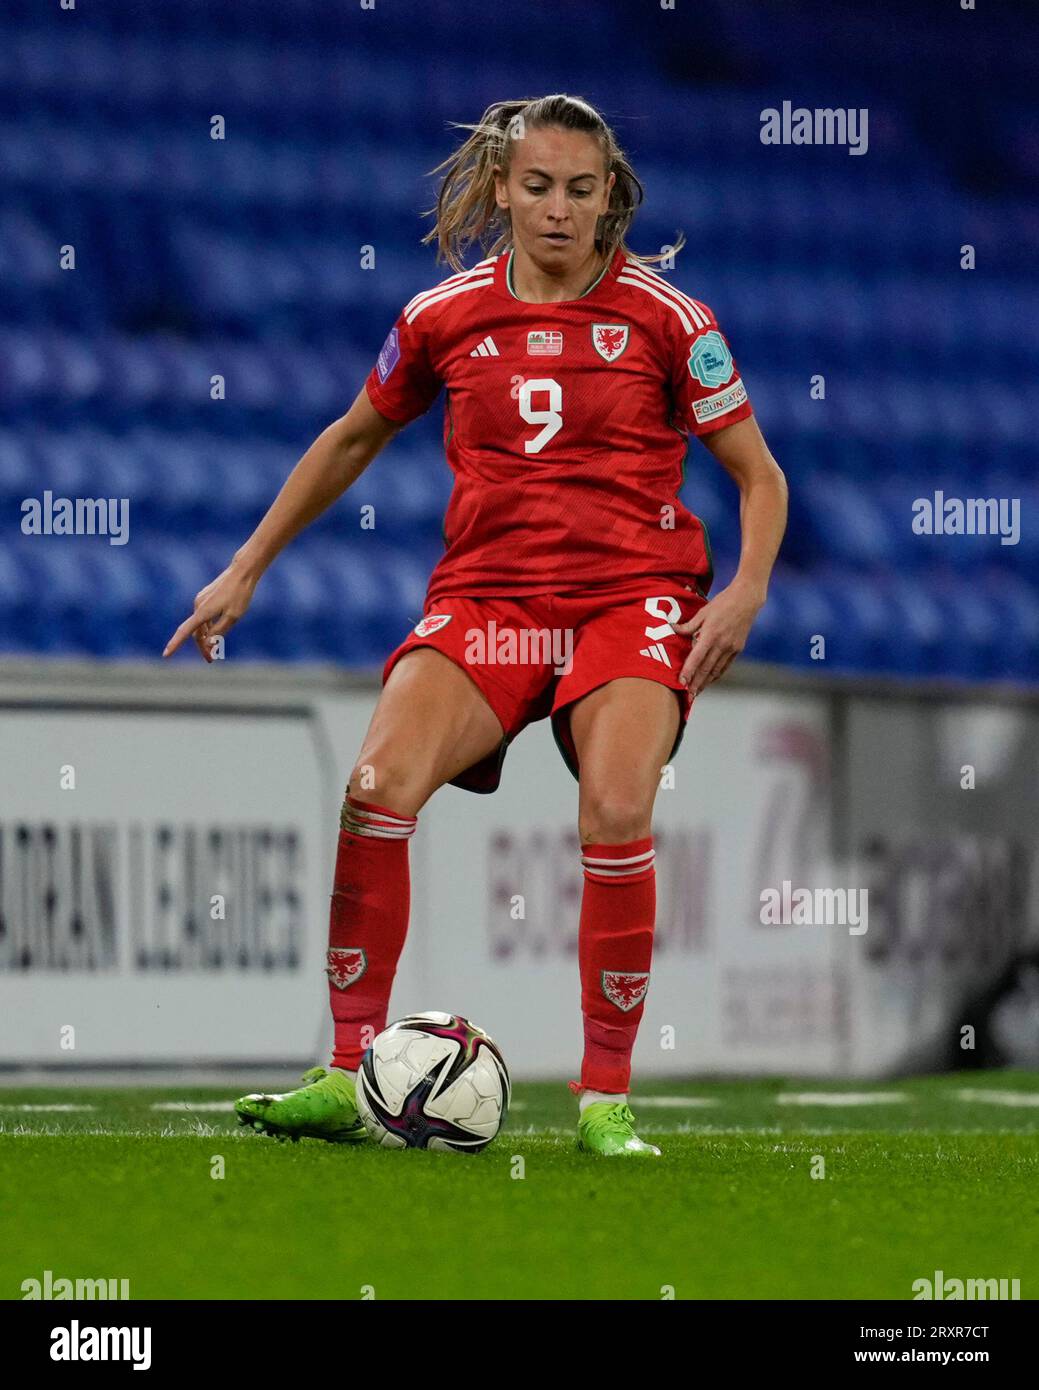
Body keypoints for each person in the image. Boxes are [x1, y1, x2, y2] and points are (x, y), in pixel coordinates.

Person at [164, 94, 788, 1156]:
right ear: (502, 187)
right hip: (491, 601)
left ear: (608, 199)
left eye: (579, 191)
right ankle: (346, 1070)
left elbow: (757, 475)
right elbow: (353, 438)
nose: (556, 210)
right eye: (537, 186)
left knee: (617, 805)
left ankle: (603, 1102)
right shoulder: (442, 315)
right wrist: (244, 566)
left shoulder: (670, 320)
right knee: (375, 787)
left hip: (628, 599)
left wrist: (742, 591)